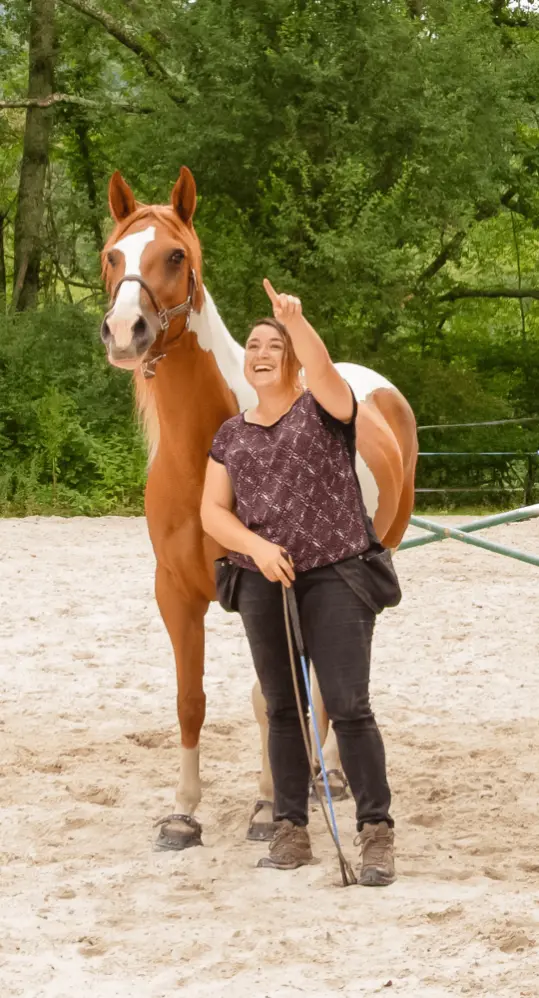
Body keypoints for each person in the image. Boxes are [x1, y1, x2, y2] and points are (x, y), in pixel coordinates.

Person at [200, 278, 395, 886]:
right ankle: (291, 829)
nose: (260, 352)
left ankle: (376, 833)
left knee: (347, 704)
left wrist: (297, 323)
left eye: (273, 346)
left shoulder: (324, 407)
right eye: (254, 344)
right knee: (283, 709)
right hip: (262, 579)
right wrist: (255, 548)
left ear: (290, 359)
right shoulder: (231, 434)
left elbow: (326, 374)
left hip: (337, 573)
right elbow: (213, 512)